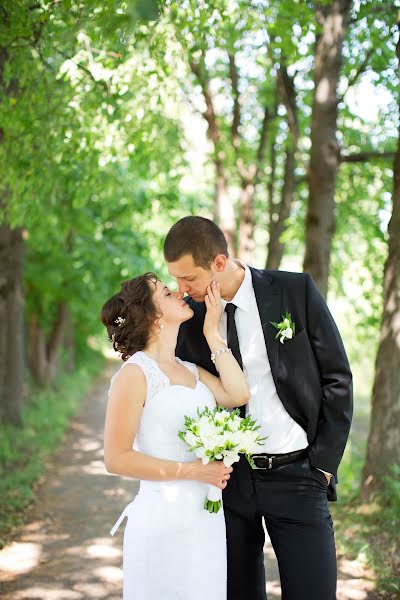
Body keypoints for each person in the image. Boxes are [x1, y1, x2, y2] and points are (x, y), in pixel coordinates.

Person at [164, 216, 353, 600]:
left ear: (219, 263)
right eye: (176, 279)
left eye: (189, 279)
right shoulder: (189, 317)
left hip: (299, 475)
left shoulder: (293, 290)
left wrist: (323, 466)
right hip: (230, 483)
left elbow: (338, 378)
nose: (181, 289)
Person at [100, 272, 249, 600]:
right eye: (167, 293)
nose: (179, 293)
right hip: (161, 522)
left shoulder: (191, 370)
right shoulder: (135, 374)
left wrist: (212, 333)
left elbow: (238, 394)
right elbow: (116, 457)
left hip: (205, 520)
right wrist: (194, 471)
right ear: (154, 316)